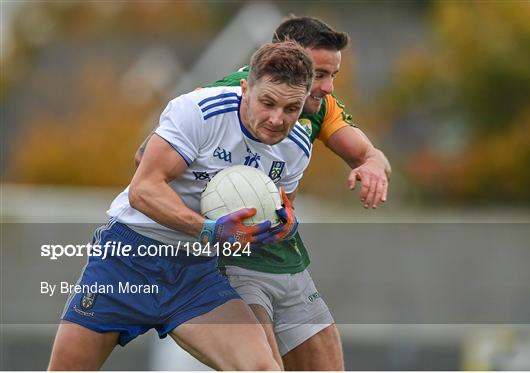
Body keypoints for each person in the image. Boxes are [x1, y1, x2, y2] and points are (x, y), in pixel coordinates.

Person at [135, 16, 391, 371]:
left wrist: (374, 165)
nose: (329, 87)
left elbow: (367, 154)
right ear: (286, 59)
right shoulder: (227, 94)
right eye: (320, 74)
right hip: (231, 263)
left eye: (333, 75)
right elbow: (146, 160)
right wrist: (214, 215)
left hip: (285, 260)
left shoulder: (316, 104)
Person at [48, 41, 314, 371]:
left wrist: (283, 226)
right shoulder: (199, 111)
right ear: (246, 88)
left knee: (263, 368)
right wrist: (209, 229)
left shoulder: (297, 148)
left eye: (291, 108)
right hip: (128, 259)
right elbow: (142, 189)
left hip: (196, 274)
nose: (277, 119)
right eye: (268, 102)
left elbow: (278, 207)